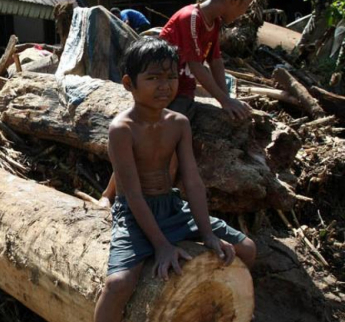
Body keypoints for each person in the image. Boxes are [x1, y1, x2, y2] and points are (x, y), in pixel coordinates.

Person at [93, 37, 256, 322]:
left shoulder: (179, 123)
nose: (165, 85)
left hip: (173, 208)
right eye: (153, 78)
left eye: (171, 77)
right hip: (135, 215)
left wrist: (206, 233)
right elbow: (131, 194)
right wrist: (162, 245)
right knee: (118, 284)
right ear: (129, 83)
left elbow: (191, 181)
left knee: (247, 248)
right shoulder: (122, 129)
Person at [101, 0, 257, 200]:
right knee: (151, 144)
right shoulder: (191, 18)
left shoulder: (213, 23)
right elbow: (196, 65)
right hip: (162, 92)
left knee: (173, 144)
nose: (244, 11)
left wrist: (228, 99)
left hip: (182, 93)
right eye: (246, 5)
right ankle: (113, 196)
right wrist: (224, 101)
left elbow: (215, 62)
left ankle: (160, 199)